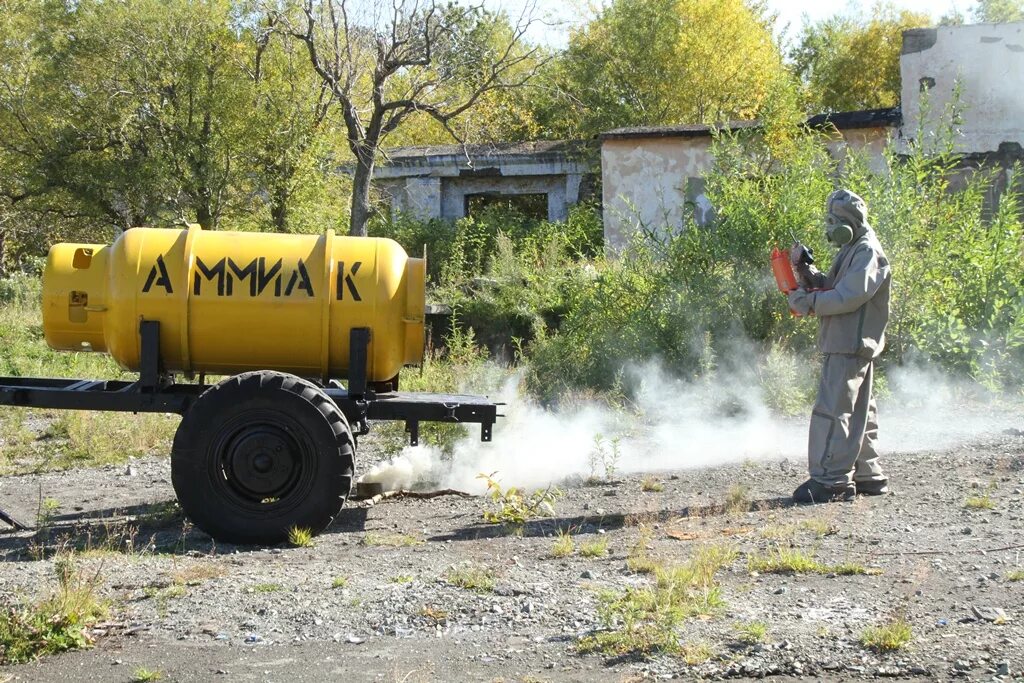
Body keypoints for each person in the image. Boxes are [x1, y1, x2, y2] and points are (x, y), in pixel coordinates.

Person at [787, 189, 892, 504]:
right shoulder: (855, 249)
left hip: (849, 343)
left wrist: (808, 303)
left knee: (833, 411)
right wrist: (806, 272)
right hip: (851, 341)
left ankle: (830, 481)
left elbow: (847, 297)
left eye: (833, 221)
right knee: (860, 411)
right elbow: (835, 288)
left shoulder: (866, 252)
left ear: (848, 222)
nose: (829, 226)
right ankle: (867, 475)